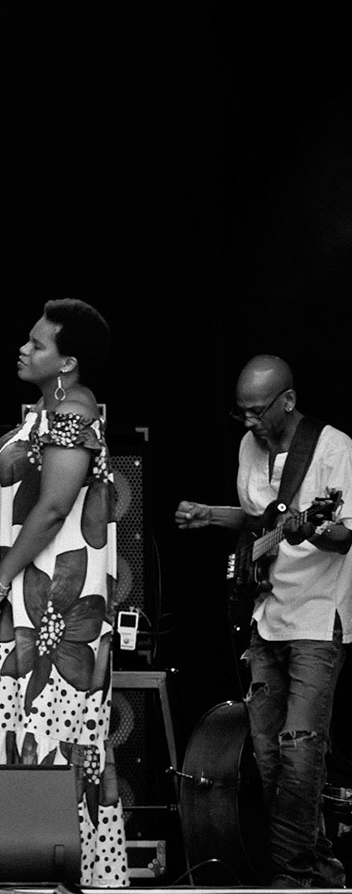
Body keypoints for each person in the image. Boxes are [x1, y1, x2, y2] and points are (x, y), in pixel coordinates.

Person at [0, 298, 127, 888]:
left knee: (42, 737)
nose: (23, 348)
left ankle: (46, 873)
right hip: (19, 605)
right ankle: (9, 871)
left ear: (67, 361)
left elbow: (51, 510)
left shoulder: (75, 409)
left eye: (38, 343)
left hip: (46, 611)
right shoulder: (48, 410)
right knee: (10, 727)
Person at [175, 355, 352, 887]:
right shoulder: (249, 447)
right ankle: (320, 866)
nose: (249, 421)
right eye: (242, 412)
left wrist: (310, 530)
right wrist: (211, 516)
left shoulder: (333, 447)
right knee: (271, 756)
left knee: (301, 750)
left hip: (320, 619)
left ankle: (290, 875)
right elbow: (260, 524)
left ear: (288, 401)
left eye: (257, 411)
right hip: (266, 615)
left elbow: (343, 533)